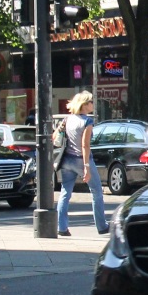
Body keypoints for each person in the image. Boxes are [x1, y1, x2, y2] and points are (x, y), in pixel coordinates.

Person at [56, 91, 109, 237]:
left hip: (67, 159)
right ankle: (102, 226)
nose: (93, 104)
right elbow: (85, 145)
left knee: (65, 193)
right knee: (97, 192)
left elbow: (55, 137)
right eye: (91, 102)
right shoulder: (87, 121)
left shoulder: (68, 119)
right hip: (81, 159)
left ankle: (62, 227)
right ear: (84, 105)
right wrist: (86, 167)